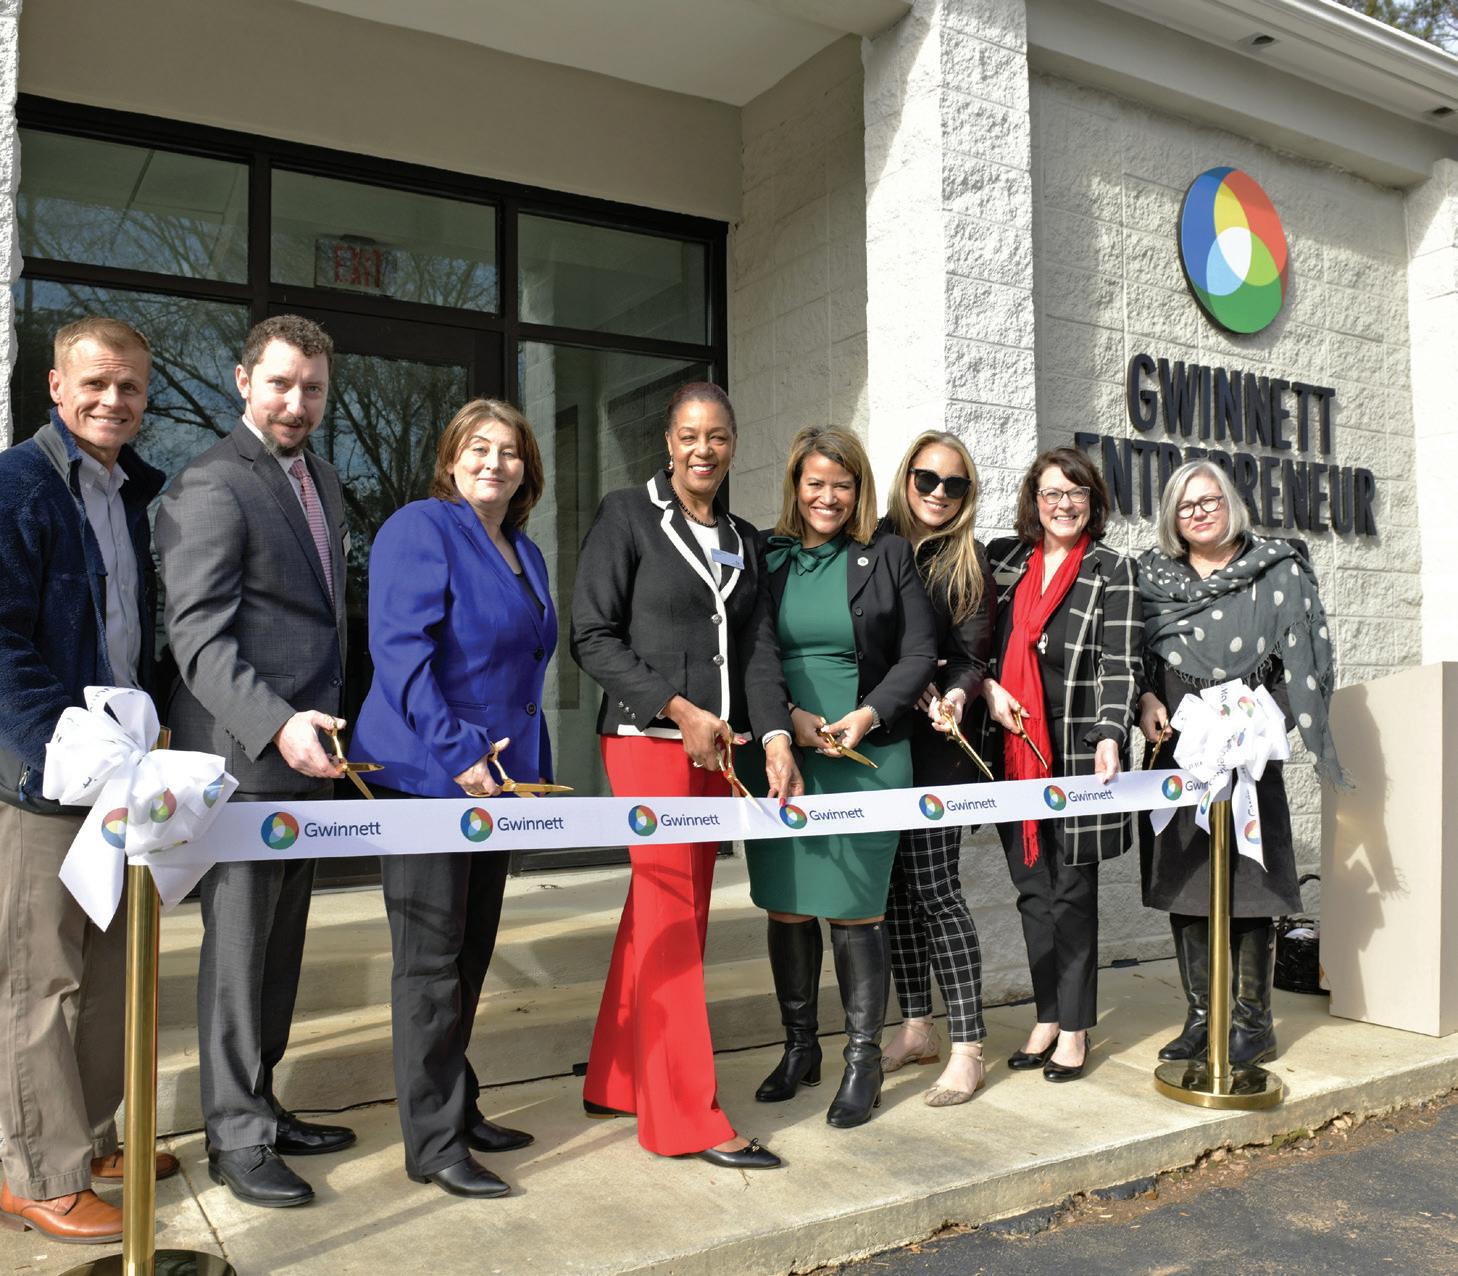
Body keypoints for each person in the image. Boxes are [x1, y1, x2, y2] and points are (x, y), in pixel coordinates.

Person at [571, 382, 801, 1170]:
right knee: (672, 913)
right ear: (669, 443)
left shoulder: (743, 537)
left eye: (719, 437)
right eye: (690, 436)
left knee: (667, 910)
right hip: (649, 742)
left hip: (719, 751)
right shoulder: (626, 515)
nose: (704, 450)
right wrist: (677, 709)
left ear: (733, 444)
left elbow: (758, 649)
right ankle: (686, 1120)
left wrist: (775, 736)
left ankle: (617, 1075)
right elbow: (592, 636)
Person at [156, 314, 355, 1209]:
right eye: (279, 384)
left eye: (312, 388)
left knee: (280, 953)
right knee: (238, 958)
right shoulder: (210, 483)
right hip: (244, 758)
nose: (296, 403)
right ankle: (234, 1136)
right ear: (243, 382)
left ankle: (262, 1105)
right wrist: (277, 727)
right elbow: (198, 637)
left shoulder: (325, 481)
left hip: (310, 760)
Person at [0, 318, 176, 1243]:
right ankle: (38, 1171)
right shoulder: (15, 486)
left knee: (114, 972)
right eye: (96, 383)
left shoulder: (130, 494)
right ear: (56, 388)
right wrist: (55, 747)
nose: (114, 400)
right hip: (42, 780)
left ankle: (93, 1141)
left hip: (122, 779)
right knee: (40, 981)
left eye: (131, 387)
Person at [352, 400, 552, 1199]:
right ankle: (433, 1144)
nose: (494, 462)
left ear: (527, 469)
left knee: (469, 956)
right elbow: (399, 655)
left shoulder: (524, 551)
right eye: (478, 448)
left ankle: (458, 1107)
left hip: (496, 784)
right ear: (450, 458)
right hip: (430, 778)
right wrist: (458, 751)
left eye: (509, 451)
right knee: (430, 965)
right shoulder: (420, 528)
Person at [747, 425, 936, 1129]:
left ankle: (863, 1060)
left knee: (857, 908)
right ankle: (801, 1047)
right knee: (787, 903)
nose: (828, 497)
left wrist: (868, 713)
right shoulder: (767, 555)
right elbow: (752, 654)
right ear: (796, 486)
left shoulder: (887, 554)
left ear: (860, 490)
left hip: (869, 755)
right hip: (784, 755)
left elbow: (919, 654)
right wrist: (786, 720)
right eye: (815, 483)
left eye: (843, 485)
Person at [1135, 459, 1345, 1067]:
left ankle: (1254, 1024)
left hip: (1249, 755)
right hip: (1178, 752)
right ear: (1172, 518)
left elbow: (1302, 662)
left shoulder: (1276, 569)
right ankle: (1203, 1018)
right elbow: (1133, 658)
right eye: (1186, 505)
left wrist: (1260, 724)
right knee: (1186, 882)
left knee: (1252, 884)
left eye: (1210, 500)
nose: (1199, 513)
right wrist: (1145, 700)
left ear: (1230, 502)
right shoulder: (1152, 578)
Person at [979, 446, 1140, 1082]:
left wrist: (1111, 732)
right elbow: (977, 645)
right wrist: (987, 687)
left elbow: (1119, 664)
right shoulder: (1004, 562)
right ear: (1034, 501)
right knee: (1031, 891)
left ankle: (1074, 1027)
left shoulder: (1112, 569)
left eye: (1076, 493)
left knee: (1072, 891)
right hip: (1013, 749)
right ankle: (1046, 1014)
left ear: (1091, 501)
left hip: (1076, 750)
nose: (1063, 504)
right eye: (1051, 493)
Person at [878, 431, 995, 1107]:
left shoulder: (967, 562)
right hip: (880, 741)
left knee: (936, 890)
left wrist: (952, 695)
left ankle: (969, 1047)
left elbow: (974, 659)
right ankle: (917, 1025)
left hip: (938, 748)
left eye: (955, 484)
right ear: (906, 478)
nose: (939, 494)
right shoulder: (875, 542)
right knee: (895, 892)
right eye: (927, 478)